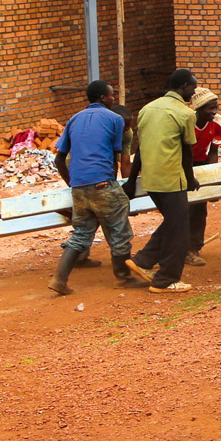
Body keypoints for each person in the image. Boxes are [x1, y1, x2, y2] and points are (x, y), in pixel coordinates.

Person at [50, 82, 133, 294]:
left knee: (81, 234)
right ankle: (123, 277)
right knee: (119, 231)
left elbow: (59, 160)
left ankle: (60, 280)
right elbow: (114, 154)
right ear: (104, 98)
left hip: (79, 186)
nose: (114, 98)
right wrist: (110, 184)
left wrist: (73, 184)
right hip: (102, 182)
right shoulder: (114, 119)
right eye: (112, 95)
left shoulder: (74, 119)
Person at [128, 69, 200, 292]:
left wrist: (132, 180)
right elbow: (187, 152)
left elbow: (140, 148)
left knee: (174, 222)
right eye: (193, 88)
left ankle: (143, 260)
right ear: (184, 86)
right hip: (171, 178)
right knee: (179, 230)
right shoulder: (185, 113)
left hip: (151, 178)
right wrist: (190, 179)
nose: (194, 92)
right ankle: (166, 279)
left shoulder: (147, 109)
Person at [183, 87, 221, 266]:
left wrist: (212, 181)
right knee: (182, 208)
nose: (214, 111)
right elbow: (182, 151)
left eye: (215, 107)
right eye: (209, 108)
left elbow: (213, 151)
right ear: (198, 108)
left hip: (201, 164)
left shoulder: (218, 122)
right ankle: (177, 247)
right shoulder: (187, 121)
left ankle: (193, 248)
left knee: (199, 208)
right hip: (181, 164)